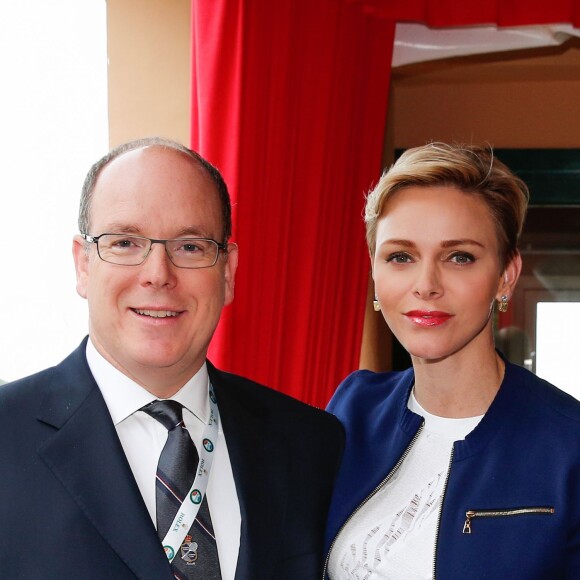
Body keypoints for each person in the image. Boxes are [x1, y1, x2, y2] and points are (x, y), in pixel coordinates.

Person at [0, 137, 343, 580]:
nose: (158, 274)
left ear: (227, 272)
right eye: (125, 242)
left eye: (190, 246)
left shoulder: (310, 444)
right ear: (83, 265)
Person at [323, 143, 580, 579]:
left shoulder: (568, 446)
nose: (426, 284)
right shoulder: (354, 407)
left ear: (506, 276)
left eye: (459, 257)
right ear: (374, 271)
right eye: (400, 257)